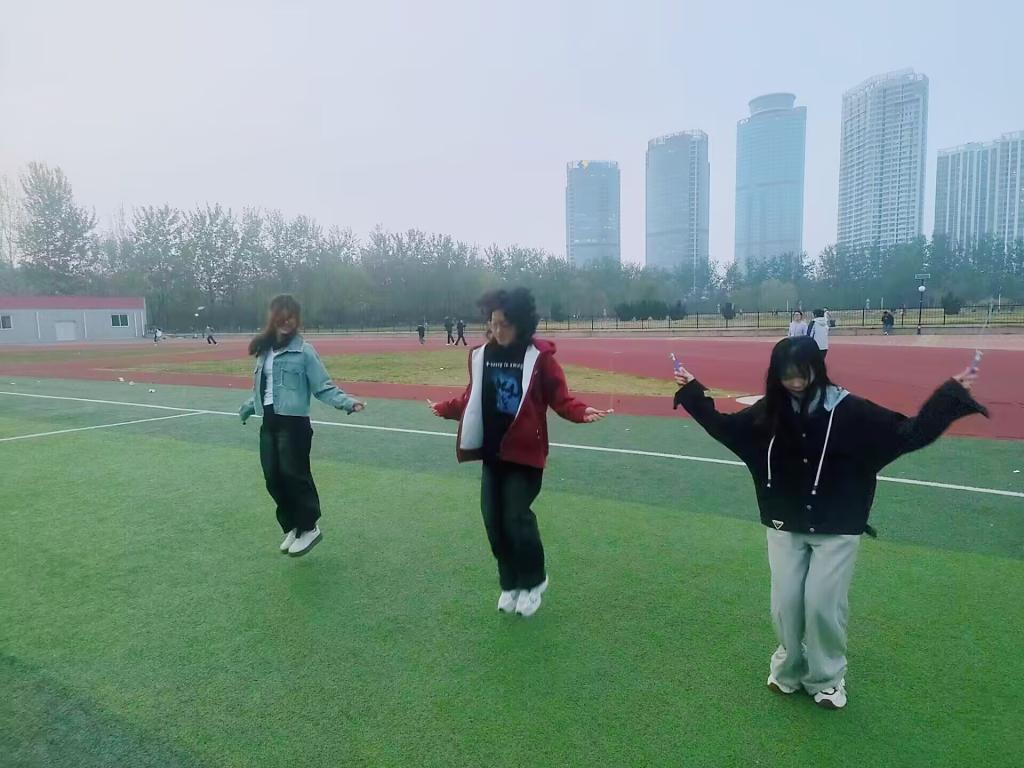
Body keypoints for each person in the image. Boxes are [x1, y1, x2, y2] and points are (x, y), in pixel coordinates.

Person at [673, 336, 986, 710]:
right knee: (786, 603)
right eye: (787, 375)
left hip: (837, 526)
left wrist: (950, 396)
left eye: (802, 374)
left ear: (817, 370)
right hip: (784, 523)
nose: (795, 383)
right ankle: (788, 669)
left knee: (822, 604)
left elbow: (908, 433)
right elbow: (725, 427)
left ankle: (827, 679)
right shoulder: (768, 413)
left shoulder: (851, 411)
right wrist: (692, 391)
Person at [428, 287, 611, 618]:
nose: (498, 330)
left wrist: (581, 411)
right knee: (493, 520)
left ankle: (534, 582)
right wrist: (445, 408)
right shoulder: (482, 355)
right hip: (492, 453)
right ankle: (510, 583)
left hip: (525, 455)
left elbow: (561, 398)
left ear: (522, 325)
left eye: (505, 324)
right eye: (494, 323)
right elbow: (471, 398)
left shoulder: (540, 359)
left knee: (516, 517)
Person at [239, 294, 366, 557]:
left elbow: (323, 386)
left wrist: (347, 402)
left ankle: (309, 527)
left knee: (294, 475)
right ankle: (294, 525)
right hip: (269, 423)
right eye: (282, 317)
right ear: (273, 319)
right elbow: (262, 390)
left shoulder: (304, 352)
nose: (287, 322)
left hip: (293, 424)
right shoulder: (264, 351)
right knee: (273, 478)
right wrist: (248, 407)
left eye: (292, 318)